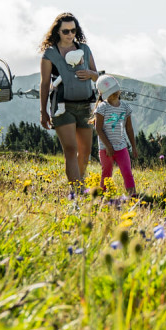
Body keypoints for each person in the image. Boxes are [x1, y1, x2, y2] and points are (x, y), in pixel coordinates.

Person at [38, 12, 100, 190]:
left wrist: (90, 74)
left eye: (73, 30)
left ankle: (79, 183)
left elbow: (97, 76)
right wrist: (43, 112)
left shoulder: (85, 49)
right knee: (71, 149)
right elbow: (44, 84)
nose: (70, 34)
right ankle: (77, 190)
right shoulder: (50, 54)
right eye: (65, 31)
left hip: (86, 105)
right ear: (57, 31)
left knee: (86, 151)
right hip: (62, 108)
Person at [94, 75, 138, 195]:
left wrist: (133, 146)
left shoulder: (125, 107)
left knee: (127, 171)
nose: (113, 94)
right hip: (105, 149)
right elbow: (98, 129)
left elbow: (129, 129)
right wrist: (108, 146)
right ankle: (103, 196)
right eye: (110, 92)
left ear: (119, 89)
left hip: (121, 147)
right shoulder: (102, 108)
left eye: (115, 91)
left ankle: (132, 196)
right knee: (107, 172)